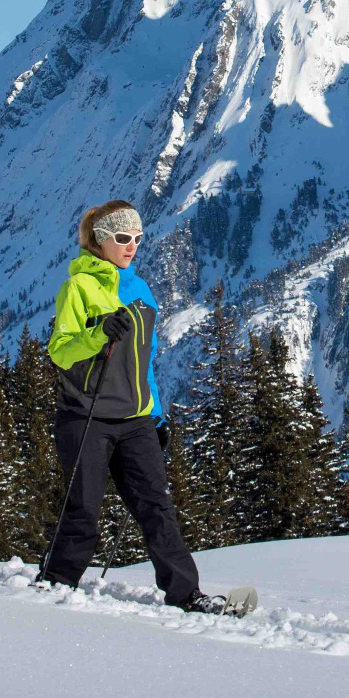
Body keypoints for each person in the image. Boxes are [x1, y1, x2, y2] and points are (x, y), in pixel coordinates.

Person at [41, 200, 228, 613]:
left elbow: (146, 359)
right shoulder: (78, 288)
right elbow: (60, 351)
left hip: (136, 419)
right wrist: (97, 332)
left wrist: (156, 412)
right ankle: (54, 586)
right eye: (123, 238)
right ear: (101, 240)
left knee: (157, 510)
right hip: (85, 416)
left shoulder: (140, 290)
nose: (132, 246)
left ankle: (186, 595)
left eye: (138, 238)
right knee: (83, 513)